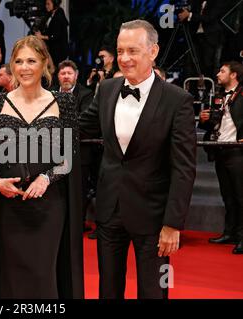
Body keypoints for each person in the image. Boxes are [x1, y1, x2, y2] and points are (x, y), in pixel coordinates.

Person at [79, 20, 197, 299]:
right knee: (108, 290)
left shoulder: (177, 100)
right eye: (120, 51)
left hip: (154, 218)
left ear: (153, 51)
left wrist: (173, 224)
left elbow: (184, 168)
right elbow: (79, 127)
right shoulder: (107, 89)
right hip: (109, 211)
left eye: (133, 50)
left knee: (156, 290)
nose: (124, 58)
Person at [0, 35, 83, 298]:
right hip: (6, 206)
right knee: (10, 274)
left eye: (31, 61)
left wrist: (46, 177)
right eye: (19, 61)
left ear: (45, 63)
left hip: (49, 206)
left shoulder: (64, 103)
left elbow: (69, 157)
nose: (24, 67)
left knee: (43, 273)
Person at [198, 61, 243, 254]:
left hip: (238, 151)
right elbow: (214, 125)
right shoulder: (217, 96)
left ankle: (242, 236)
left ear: (234, 75)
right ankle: (230, 232)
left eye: (222, 71)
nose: (217, 74)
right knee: (228, 195)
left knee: (241, 196)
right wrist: (204, 120)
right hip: (220, 149)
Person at [56, 60, 97, 236]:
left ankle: (76, 226)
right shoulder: (49, 93)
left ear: (76, 75)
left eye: (69, 73)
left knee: (78, 192)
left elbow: (86, 122)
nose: (66, 76)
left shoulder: (86, 94)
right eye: (63, 73)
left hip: (79, 152)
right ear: (58, 76)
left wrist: (57, 127)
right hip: (53, 152)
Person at [177, 1, 231, 78]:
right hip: (195, 36)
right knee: (193, 62)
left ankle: (209, 87)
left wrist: (189, 15)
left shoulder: (217, 2)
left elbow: (209, 17)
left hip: (210, 37)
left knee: (208, 63)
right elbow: (192, 16)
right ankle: (193, 86)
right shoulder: (197, 2)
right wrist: (186, 15)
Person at [35, 0, 69, 67]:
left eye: (48, 4)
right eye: (46, 4)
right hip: (53, 49)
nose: (46, 6)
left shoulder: (59, 16)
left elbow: (56, 36)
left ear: (55, 4)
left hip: (58, 51)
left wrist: (42, 37)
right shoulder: (51, 14)